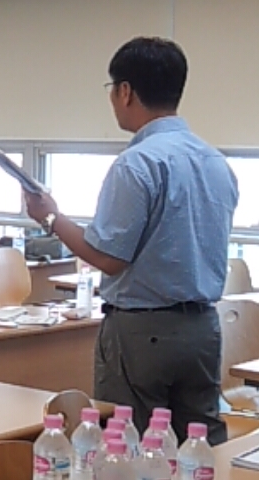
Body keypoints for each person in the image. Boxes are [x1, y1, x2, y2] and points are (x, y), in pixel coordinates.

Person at [23, 37, 237, 445]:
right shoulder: (215, 161)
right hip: (202, 327)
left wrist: (50, 217)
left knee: (131, 446)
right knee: (200, 445)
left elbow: (108, 257)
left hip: (142, 331)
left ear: (125, 91)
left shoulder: (137, 162)